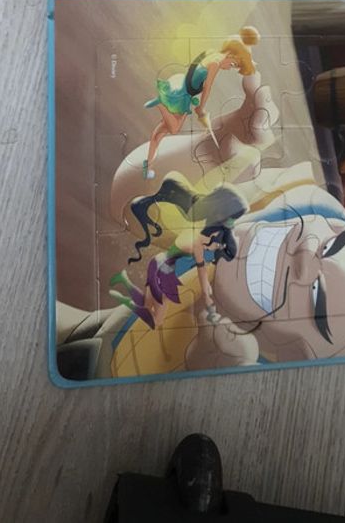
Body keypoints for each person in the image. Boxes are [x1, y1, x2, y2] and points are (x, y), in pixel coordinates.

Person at [109, 173, 249, 328]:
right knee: (157, 321)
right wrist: (206, 295)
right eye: (232, 218)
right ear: (222, 212)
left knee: (147, 305)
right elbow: (201, 269)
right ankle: (123, 300)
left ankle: (124, 281)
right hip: (165, 271)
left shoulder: (200, 221)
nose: (232, 222)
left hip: (158, 262)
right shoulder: (202, 234)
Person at [141, 25, 260, 179]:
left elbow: (194, 73)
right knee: (174, 129)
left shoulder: (210, 52)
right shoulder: (215, 63)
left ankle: (148, 167)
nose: (230, 68)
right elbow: (207, 87)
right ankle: (160, 104)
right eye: (233, 64)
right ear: (230, 54)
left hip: (182, 89)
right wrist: (201, 109)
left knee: (158, 134)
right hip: (183, 96)